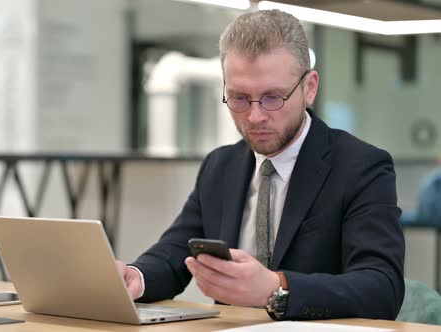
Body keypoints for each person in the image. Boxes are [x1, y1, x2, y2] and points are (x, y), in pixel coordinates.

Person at [117, 9, 405, 321]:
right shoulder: (220, 166)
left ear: (309, 87)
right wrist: (136, 276)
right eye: (239, 98)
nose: (255, 117)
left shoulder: (360, 167)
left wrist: (276, 287)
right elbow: (174, 255)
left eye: (273, 98)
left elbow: (381, 288)